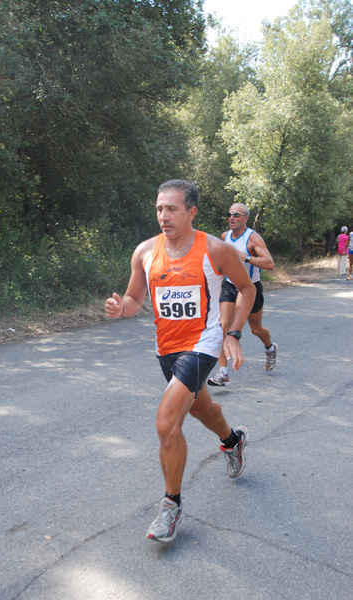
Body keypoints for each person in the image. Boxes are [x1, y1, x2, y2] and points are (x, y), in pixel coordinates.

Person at [105, 180, 256, 543]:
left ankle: (171, 507)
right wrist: (119, 308)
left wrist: (233, 333)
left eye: (172, 209)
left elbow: (246, 288)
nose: (163, 215)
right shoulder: (144, 252)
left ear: (191, 212)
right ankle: (233, 440)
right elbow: (133, 298)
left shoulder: (215, 250)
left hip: (203, 344)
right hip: (167, 349)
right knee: (203, 409)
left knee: (166, 423)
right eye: (159, 208)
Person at [208, 203, 277, 387]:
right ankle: (223, 372)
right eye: (229, 214)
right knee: (222, 326)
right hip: (230, 286)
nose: (231, 217)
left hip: (250, 288)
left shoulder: (253, 238)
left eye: (236, 215)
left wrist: (245, 257)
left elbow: (269, 264)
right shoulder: (225, 236)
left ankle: (270, 348)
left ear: (245, 218)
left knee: (256, 330)